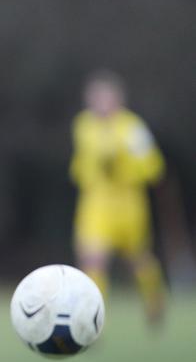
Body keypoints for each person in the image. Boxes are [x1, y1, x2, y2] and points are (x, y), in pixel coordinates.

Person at [70, 69, 166, 323]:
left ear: (117, 99)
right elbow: (83, 162)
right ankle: (92, 318)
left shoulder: (132, 128)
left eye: (105, 98)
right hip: (96, 201)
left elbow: (154, 166)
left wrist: (126, 161)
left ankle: (155, 300)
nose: (99, 104)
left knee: (139, 260)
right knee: (93, 259)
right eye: (94, 98)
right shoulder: (83, 125)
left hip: (128, 202)